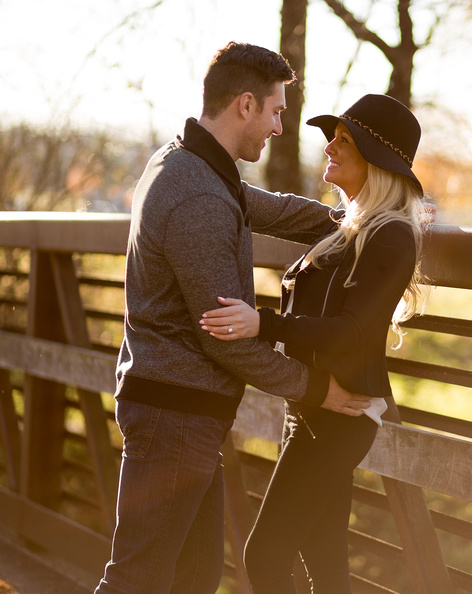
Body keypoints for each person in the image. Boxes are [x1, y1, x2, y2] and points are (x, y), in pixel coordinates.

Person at [94, 42, 370, 594]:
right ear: (246, 105)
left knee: (193, 579)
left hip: (182, 412)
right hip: (174, 415)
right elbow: (228, 341)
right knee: (138, 580)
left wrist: (358, 221)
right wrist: (319, 390)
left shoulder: (189, 163)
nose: (277, 127)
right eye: (275, 111)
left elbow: (269, 208)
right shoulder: (197, 194)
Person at [200, 93, 428, 594]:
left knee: (264, 555)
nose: (330, 146)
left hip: (340, 416)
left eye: (345, 139)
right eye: (334, 135)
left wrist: (264, 324)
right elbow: (268, 209)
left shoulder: (391, 236)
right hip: (310, 405)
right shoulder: (350, 228)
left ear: (378, 161)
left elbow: (352, 331)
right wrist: (196, 167)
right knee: (326, 565)